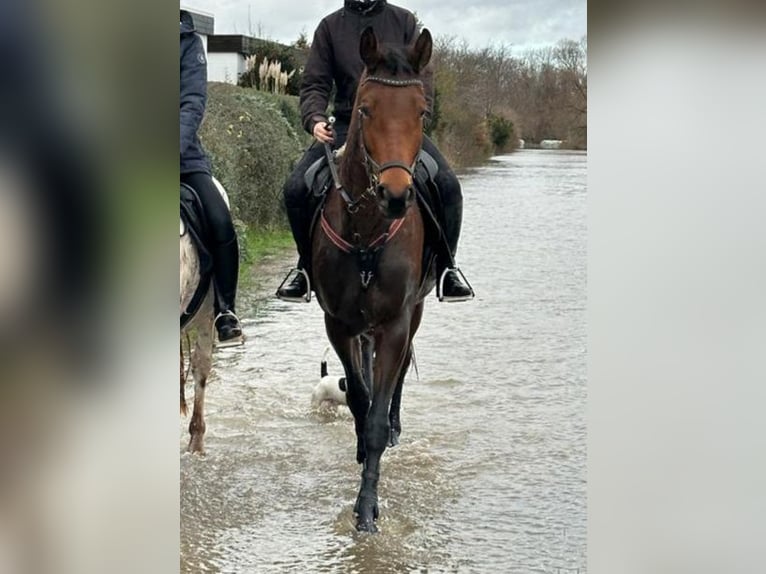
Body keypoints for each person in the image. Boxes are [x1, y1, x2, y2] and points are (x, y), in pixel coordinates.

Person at [276, 0, 473, 302]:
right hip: (344, 125)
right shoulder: (330, 27)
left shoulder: (404, 21)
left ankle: (448, 269)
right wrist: (314, 119)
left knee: (447, 185)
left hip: (400, 127)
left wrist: (417, 117)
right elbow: (314, 84)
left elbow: (424, 80)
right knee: (295, 187)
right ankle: (304, 269)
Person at [180, 10, 243, 343]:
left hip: (182, 158)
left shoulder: (187, 42)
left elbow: (192, 102)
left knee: (219, 219)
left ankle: (225, 309)